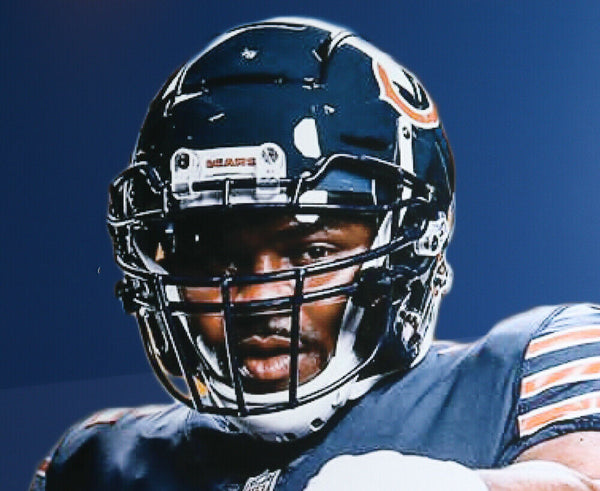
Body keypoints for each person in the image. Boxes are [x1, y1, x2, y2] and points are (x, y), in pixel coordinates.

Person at [31, 17, 600, 490]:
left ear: (409, 246)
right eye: (216, 260)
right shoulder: (95, 462)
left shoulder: (527, 367)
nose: (257, 297)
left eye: (311, 251)